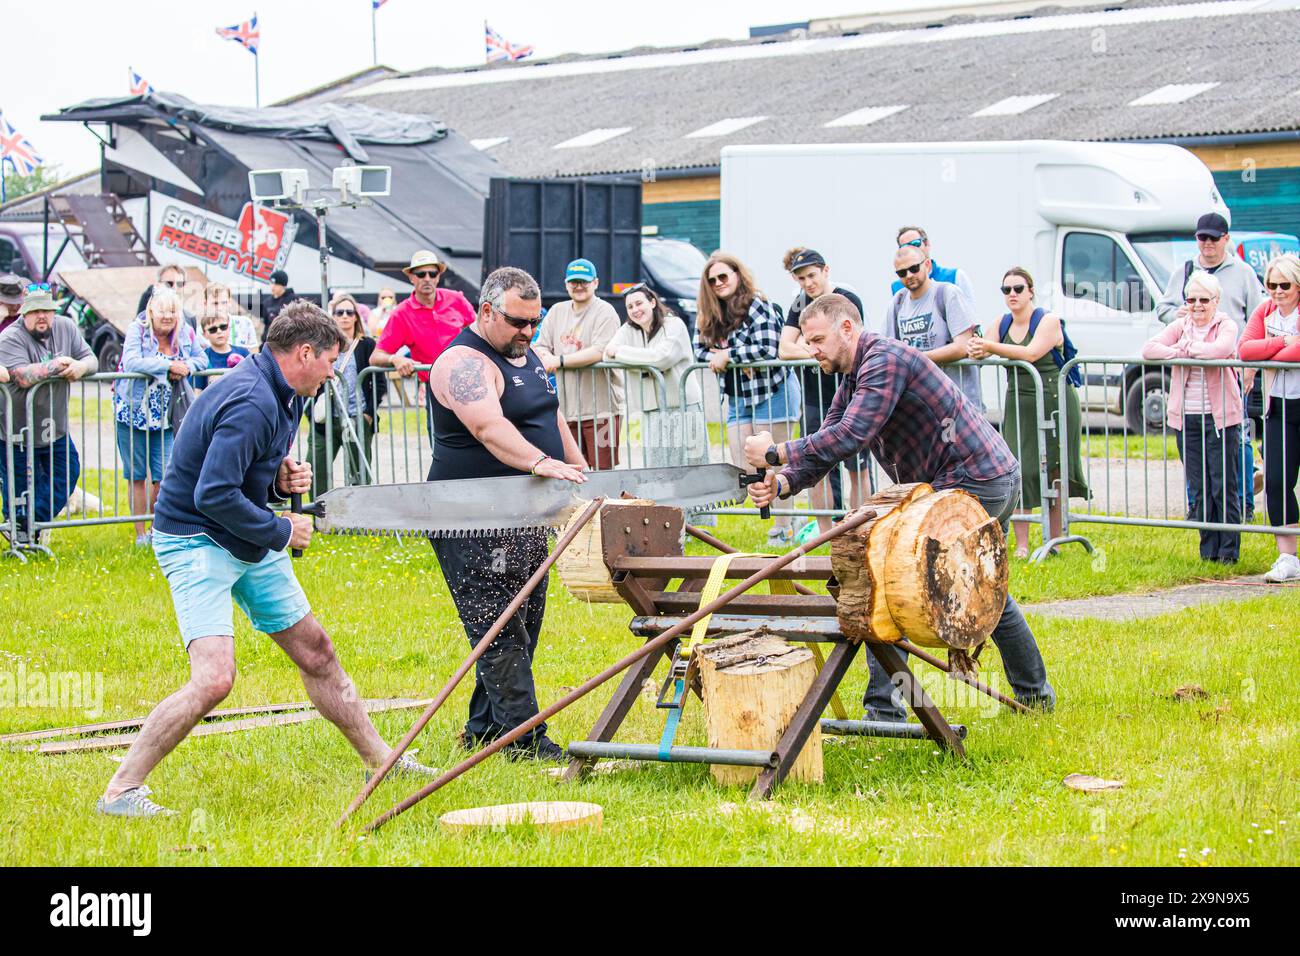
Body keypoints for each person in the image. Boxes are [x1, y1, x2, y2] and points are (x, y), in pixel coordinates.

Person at [96, 301, 436, 818]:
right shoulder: (253, 398)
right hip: (195, 539)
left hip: (243, 535)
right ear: (304, 352)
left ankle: (380, 761)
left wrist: (278, 474)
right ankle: (120, 792)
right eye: (329, 362)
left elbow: (240, 463)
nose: (331, 374)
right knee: (214, 680)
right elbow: (212, 494)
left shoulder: (284, 390)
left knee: (317, 652)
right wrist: (282, 527)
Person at [744, 293, 1056, 717]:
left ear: (847, 329)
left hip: (979, 479)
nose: (810, 349)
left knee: (891, 574)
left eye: (817, 339)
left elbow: (852, 434)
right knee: (979, 587)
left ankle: (885, 710)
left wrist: (777, 451)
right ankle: (1034, 697)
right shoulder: (856, 375)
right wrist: (781, 483)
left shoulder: (884, 361)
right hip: (952, 482)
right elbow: (832, 439)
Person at [427, 267, 588, 762]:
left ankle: (484, 730)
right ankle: (524, 741)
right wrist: (540, 463)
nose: (528, 332)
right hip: (472, 519)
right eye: (518, 322)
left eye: (535, 322)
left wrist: (579, 467)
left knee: (523, 623)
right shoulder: (462, 363)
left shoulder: (530, 355)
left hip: (524, 515)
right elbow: (488, 428)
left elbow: (549, 413)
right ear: (488, 311)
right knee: (499, 628)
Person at [967, 268, 1090, 557]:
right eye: (1006, 289)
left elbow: (1031, 353)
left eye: (1018, 288)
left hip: (1053, 398)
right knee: (1020, 469)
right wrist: (975, 346)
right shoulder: (1002, 322)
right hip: (1018, 400)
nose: (1012, 294)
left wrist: (988, 345)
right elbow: (981, 350)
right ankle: (1022, 546)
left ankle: (1055, 539)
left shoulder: (1048, 320)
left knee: (1055, 471)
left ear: (1031, 291)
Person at [1157, 212, 1266, 519]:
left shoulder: (1243, 273)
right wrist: (1178, 317)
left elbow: (1258, 318)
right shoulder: (1185, 270)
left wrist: (1250, 366)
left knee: (1238, 435)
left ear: (1226, 240)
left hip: (1231, 367)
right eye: (1201, 238)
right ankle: (1199, 507)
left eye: (1213, 238)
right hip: (1192, 375)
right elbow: (1163, 307)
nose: (1207, 244)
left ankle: (1242, 504)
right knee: (1194, 448)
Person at [697, 251, 801, 545]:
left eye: (723, 276)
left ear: (737, 275)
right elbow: (699, 350)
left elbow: (769, 347)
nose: (718, 283)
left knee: (777, 462)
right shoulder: (710, 312)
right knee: (745, 464)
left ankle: (783, 528)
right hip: (739, 395)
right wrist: (726, 358)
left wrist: (728, 355)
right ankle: (787, 518)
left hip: (773, 391)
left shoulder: (758, 304)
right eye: (712, 279)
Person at [1142, 271, 1244, 564]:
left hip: (1220, 417)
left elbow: (1221, 349)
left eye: (1203, 300)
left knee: (1222, 483)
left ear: (1216, 301)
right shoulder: (1180, 325)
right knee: (1199, 486)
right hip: (1187, 418)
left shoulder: (1226, 324)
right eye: (1191, 299)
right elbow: (1150, 349)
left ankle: (1228, 551)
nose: (1197, 305)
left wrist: (1190, 349)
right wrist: (1179, 350)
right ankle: (1208, 550)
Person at [778, 247, 871, 533]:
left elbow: (855, 340)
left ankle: (861, 528)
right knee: (815, 466)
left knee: (857, 468)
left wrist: (805, 348)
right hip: (813, 397)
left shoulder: (846, 297)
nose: (808, 283)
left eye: (811, 275)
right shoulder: (798, 305)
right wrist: (814, 349)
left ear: (825, 270)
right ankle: (824, 532)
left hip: (849, 392)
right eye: (801, 278)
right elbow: (784, 348)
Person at [0, 284, 96, 544]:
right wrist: (55, 366)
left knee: (67, 473)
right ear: (23, 313)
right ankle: (20, 536)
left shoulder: (66, 327)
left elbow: (91, 358)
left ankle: (24, 525)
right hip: (15, 429)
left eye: (46, 309)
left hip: (55, 427)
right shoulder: (10, 337)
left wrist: (80, 366)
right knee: (17, 485)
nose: (41, 316)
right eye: (35, 310)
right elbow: (20, 377)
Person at [113, 288, 209, 547]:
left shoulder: (185, 332)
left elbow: (202, 358)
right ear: (151, 311)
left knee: (164, 476)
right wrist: (168, 366)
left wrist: (188, 367)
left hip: (167, 415)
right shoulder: (138, 329)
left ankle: (159, 530)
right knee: (136, 475)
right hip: (133, 412)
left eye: (172, 311)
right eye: (162, 311)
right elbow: (132, 361)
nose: (167, 317)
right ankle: (140, 533)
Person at [1240, 253, 1300, 582]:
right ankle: (1288, 557)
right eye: (1271, 284)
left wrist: (1271, 352)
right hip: (1278, 405)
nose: (1276, 291)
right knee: (1276, 481)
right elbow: (1246, 350)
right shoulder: (1264, 311)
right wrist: (1281, 343)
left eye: (1284, 285)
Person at [533, 258, 626, 470]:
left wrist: (559, 360)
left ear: (595, 283)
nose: (579, 286)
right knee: (574, 470)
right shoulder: (557, 311)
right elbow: (540, 346)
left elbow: (600, 350)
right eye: (574, 282)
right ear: (566, 284)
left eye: (584, 281)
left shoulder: (605, 311)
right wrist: (547, 356)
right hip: (565, 409)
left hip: (601, 410)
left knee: (604, 470)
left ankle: (607, 504)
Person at [371, 250, 476, 436]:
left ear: (438, 277)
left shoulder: (456, 299)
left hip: (469, 380)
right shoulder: (401, 313)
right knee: (440, 441)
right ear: (411, 277)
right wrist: (396, 359)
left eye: (432, 273)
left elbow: (479, 332)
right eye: (421, 274)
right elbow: (376, 357)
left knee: (478, 437)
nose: (427, 278)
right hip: (435, 388)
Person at [605, 284, 705, 467]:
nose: (635, 310)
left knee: (692, 465)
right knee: (657, 467)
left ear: (652, 302)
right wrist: (644, 363)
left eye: (639, 303)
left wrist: (623, 354)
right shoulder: (628, 330)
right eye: (630, 307)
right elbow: (607, 355)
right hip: (652, 410)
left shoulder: (674, 325)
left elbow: (662, 358)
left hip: (683, 406)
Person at [885, 242, 984, 410]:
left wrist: (918, 359)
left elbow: (963, 346)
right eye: (902, 272)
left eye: (914, 268)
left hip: (959, 403)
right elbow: (889, 347)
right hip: (923, 405)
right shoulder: (898, 301)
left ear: (927, 265)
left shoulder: (947, 293)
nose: (909, 275)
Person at [307, 293, 385, 495]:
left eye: (349, 312)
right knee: (316, 471)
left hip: (356, 417)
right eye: (339, 312)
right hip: (326, 420)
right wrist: (312, 414)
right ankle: (320, 518)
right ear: (332, 316)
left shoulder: (367, 344)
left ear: (356, 317)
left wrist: (368, 414)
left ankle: (359, 521)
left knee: (359, 474)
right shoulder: (320, 346)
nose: (344, 316)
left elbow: (379, 382)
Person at [890, 225, 977, 303]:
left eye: (915, 243)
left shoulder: (955, 276)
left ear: (927, 244)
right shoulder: (897, 288)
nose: (912, 250)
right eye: (905, 247)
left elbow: (970, 315)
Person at [195, 307, 250, 390]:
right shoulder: (202, 358)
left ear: (229, 328)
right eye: (213, 329)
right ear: (205, 334)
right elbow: (197, 391)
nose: (219, 331)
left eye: (223, 327)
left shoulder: (244, 353)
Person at [136, 264, 198, 331]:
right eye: (169, 283)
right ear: (158, 285)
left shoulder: (191, 319)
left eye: (180, 284)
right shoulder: (146, 316)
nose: (175, 288)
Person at [203, 282, 258, 351]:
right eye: (215, 303)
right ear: (205, 304)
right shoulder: (201, 331)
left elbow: (254, 352)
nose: (220, 308)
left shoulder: (245, 323)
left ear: (229, 302)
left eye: (224, 303)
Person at [257, 269, 296, 339]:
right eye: (271, 283)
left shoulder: (293, 300)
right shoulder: (267, 302)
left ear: (283, 285)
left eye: (276, 284)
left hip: (287, 340)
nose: (273, 286)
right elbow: (266, 325)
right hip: (271, 341)